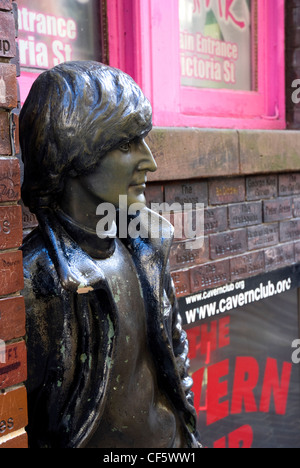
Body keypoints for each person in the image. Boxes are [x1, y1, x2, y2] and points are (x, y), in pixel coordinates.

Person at [20, 61, 201, 448]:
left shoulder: (145, 245)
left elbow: (175, 349)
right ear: (73, 153)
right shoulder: (38, 282)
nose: (150, 162)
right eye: (125, 144)